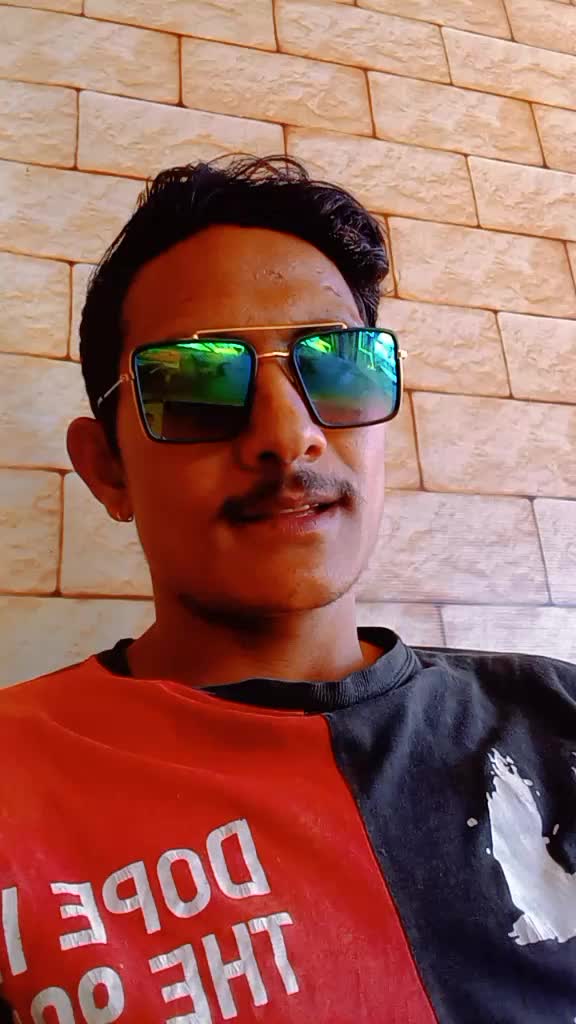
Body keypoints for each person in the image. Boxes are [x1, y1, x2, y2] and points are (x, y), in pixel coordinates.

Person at [1, 155, 575, 1024]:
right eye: (196, 379)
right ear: (107, 468)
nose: (288, 432)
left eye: (337, 364)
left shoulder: (556, 720)